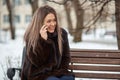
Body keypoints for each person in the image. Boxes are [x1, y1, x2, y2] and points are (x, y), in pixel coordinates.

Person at [21, 5, 75, 80]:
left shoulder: (61, 34)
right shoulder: (32, 36)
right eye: (49, 21)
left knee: (68, 78)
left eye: (54, 20)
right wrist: (43, 41)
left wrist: (60, 71)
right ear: (40, 22)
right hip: (37, 74)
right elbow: (38, 62)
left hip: (56, 72)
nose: (53, 24)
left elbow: (65, 57)